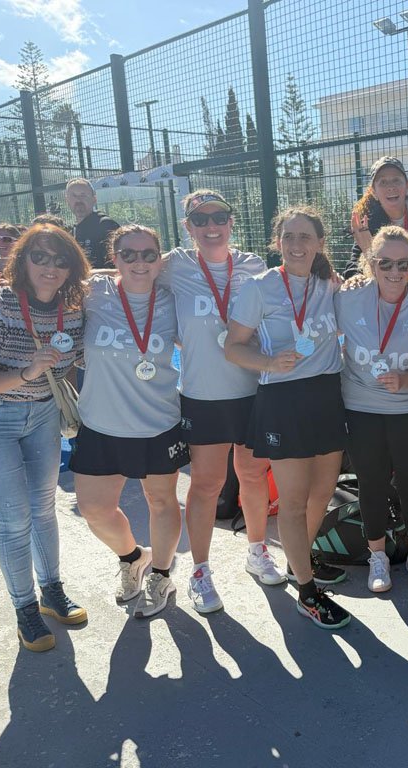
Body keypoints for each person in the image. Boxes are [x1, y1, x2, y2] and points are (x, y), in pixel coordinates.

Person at [0, 223, 89, 652]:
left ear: (72, 267)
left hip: (42, 412)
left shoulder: (73, 309)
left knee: (44, 508)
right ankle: (25, 607)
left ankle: (51, 590)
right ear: (22, 260)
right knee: (14, 518)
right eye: (40, 257)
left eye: (60, 260)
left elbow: (79, 357)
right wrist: (28, 371)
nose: (50, 267)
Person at [160, 189, 288, 613]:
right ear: (188, 227)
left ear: (231, 222)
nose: (211, 226)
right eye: (201, 220)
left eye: (219, 217)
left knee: (252, 475)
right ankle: (200, 571)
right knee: (206, 484)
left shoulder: (253, 265)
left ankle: (257, 551)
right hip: (204, 396)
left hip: (252, 391)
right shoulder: (175, 265)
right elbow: (127, 271)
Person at [225, 206, 351, 629]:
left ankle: (301, 564)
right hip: (283, 400)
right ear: (277, 242)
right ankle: (308, 594)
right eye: (289, 237)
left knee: (322, 493)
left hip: (326, 396)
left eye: (305, 237)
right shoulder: (259, 287)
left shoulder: (329, 284)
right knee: (293, 502)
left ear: (319, 243)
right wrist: (267, 362)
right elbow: (232, 347)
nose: (297, 245)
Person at [69, 225, 189, 619]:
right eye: (128, 254)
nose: (139, 262)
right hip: (100, 424)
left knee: (162, 502)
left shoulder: (173, 299)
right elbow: (49, 283)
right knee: (94, 510)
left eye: (148, 254)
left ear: (160, 259)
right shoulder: (93, 292)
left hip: (159, 422)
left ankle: (161, 575)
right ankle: (132, 557)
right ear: (114, 258)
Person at [335, 226, 408, 592]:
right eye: (385, 263)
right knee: (372, 483)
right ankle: (377, 556)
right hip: (360, 407)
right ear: (370, 262)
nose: (395, 272)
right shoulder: (348, 298)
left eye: (404, 264)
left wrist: (407, 380)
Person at [346, 157, 408, 277]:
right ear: (374, 192)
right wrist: (358, 275)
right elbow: (353, 266)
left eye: (396, 180)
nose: (390, 187)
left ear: (407, 187)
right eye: (383, 182)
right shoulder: (368, 223)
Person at [66, 178, 120, 269]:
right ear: (67, 200)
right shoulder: (71, 232)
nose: (78, 200)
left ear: (94, 199)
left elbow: (118, 268)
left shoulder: (106, 226)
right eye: (74, 196)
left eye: (83, 195)